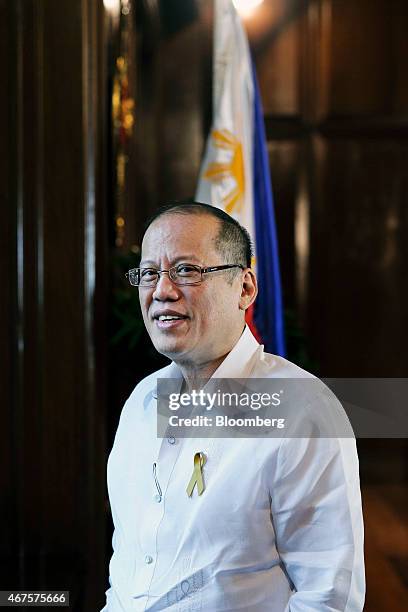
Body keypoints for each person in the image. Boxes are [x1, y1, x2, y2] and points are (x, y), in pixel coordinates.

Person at [102, 201, 365, 611]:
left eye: (187, 270)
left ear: (244, 289)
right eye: (150, 273)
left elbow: (330, 598)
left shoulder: (303, 410)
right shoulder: (142, 401)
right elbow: (131, 570)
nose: (162, 291)